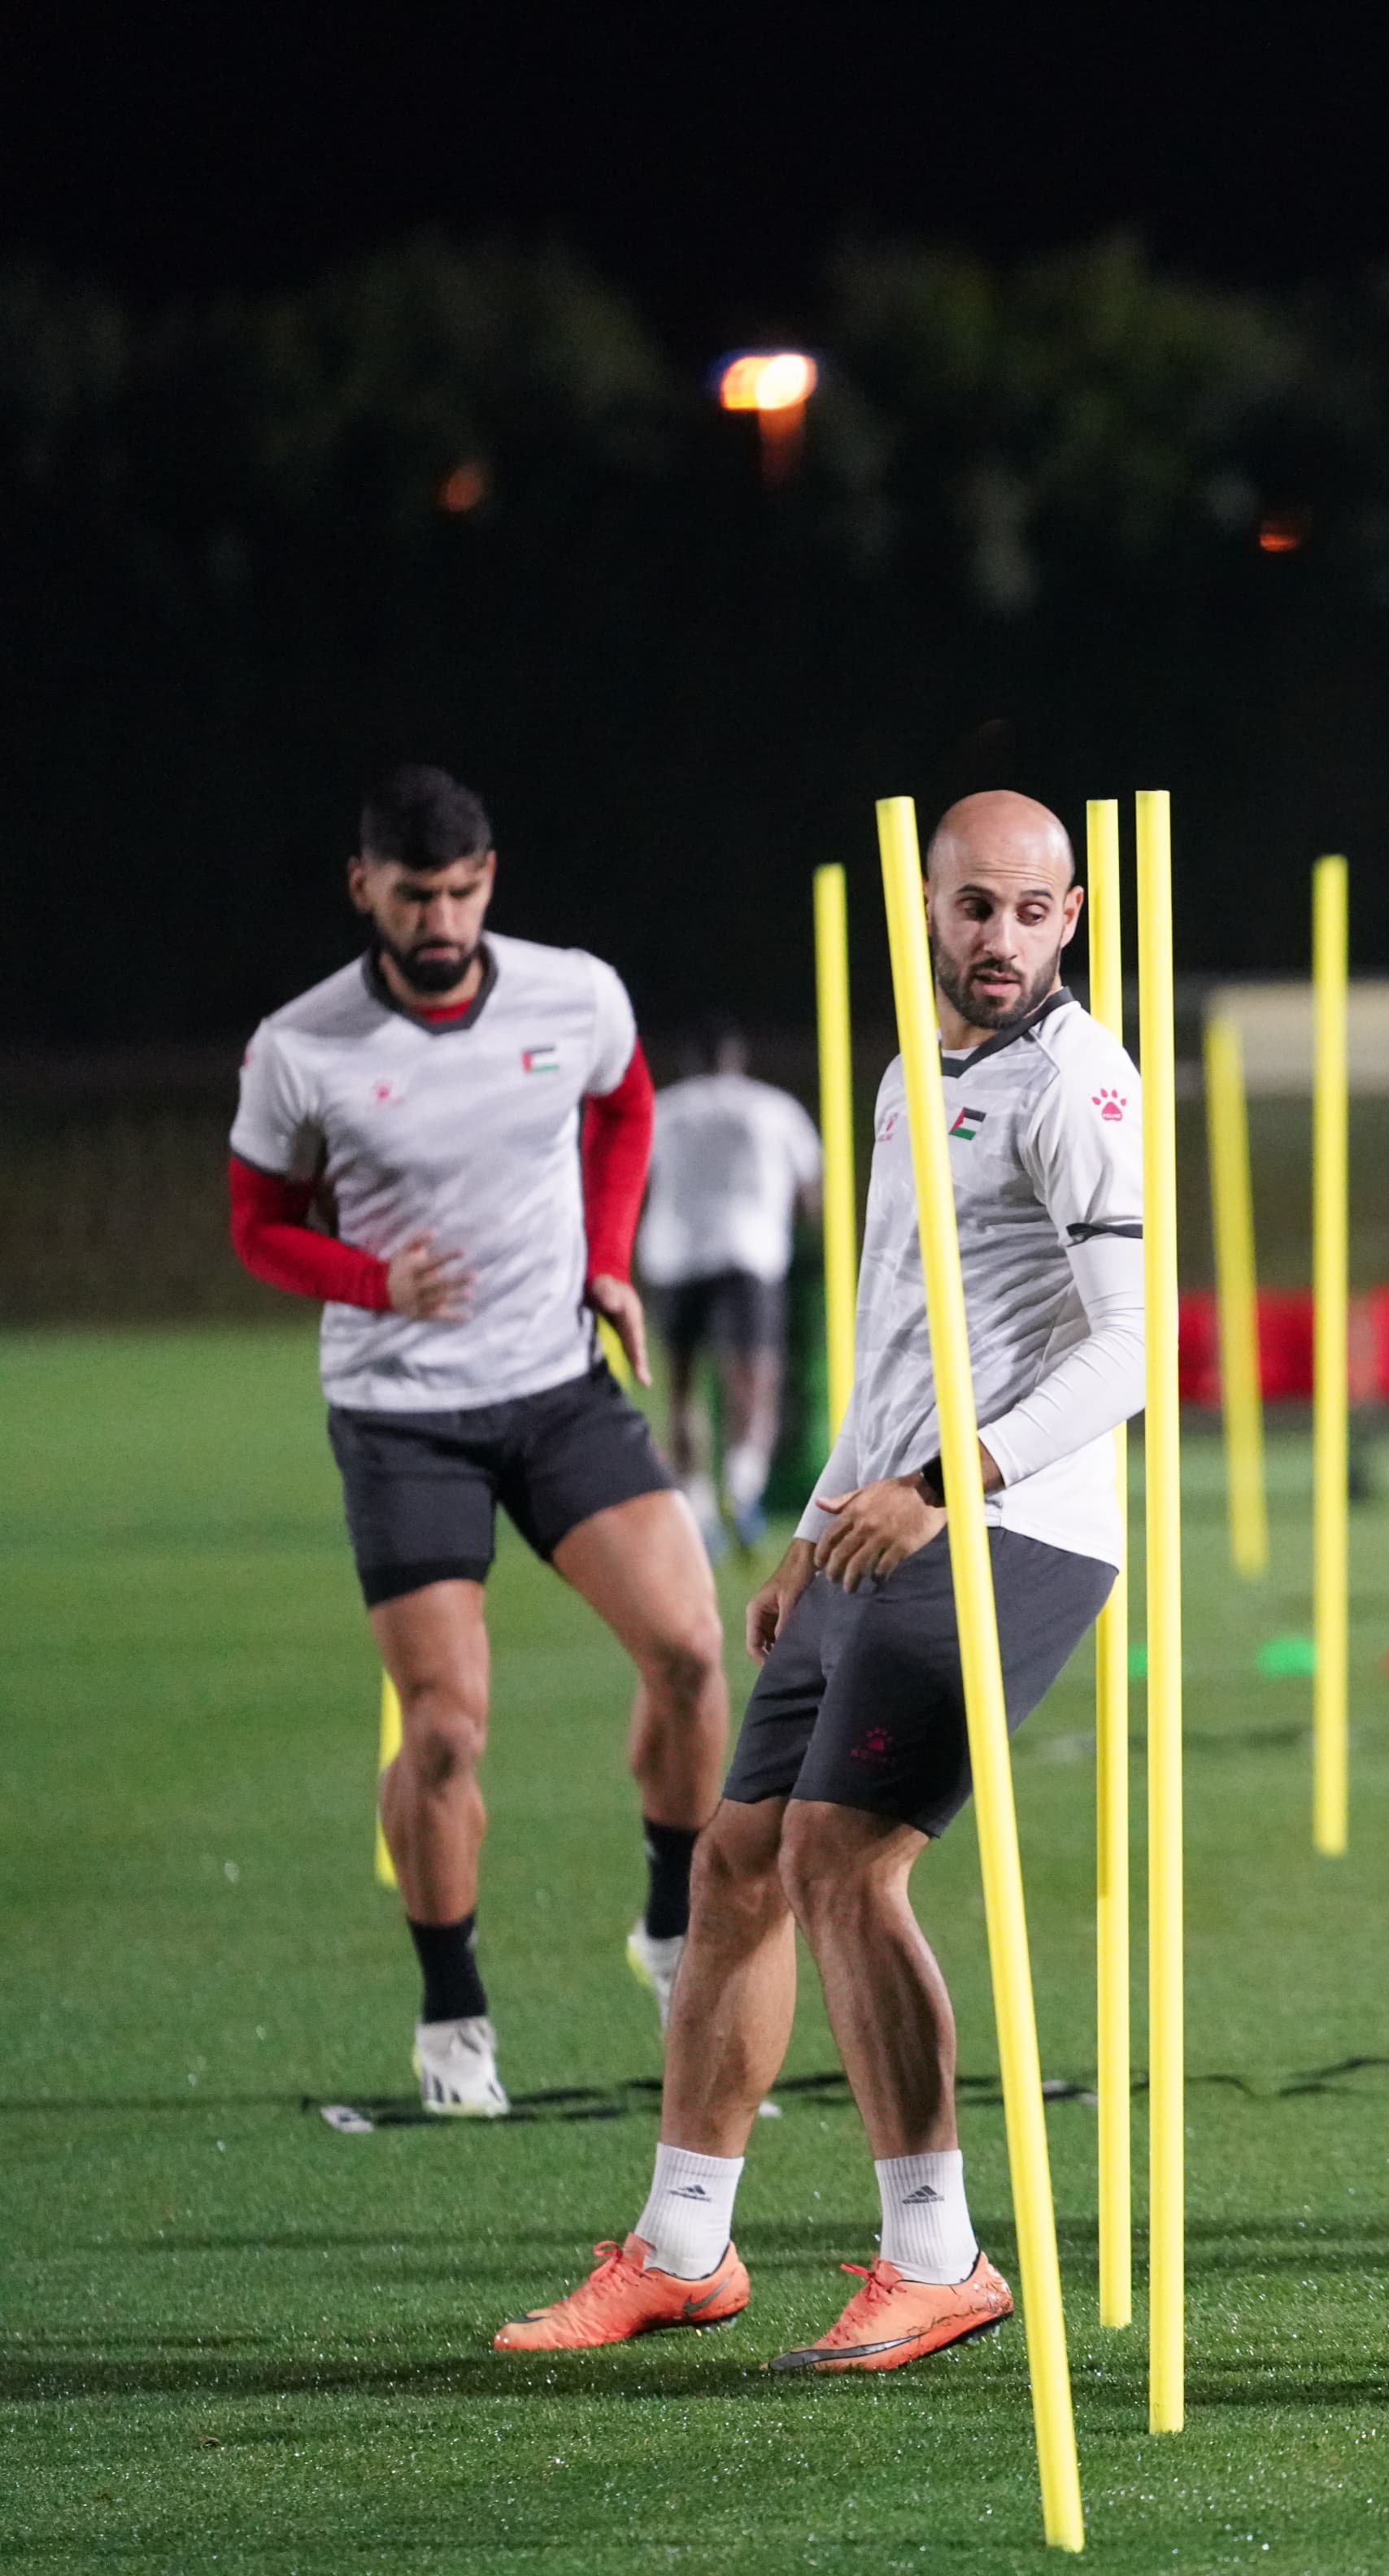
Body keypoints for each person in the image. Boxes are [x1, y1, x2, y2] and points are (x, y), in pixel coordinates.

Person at [494, 791, 1143, 2369]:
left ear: (1071, 916)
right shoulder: (913, 1072)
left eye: (1030, 910)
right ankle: (683, 2249)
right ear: (924, 906)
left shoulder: (1080, 1083)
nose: (999, 939)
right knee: (734, 1862)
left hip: (1016, 1525)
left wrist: (941, 1487)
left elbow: (1129, 1349)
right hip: (877, 1520)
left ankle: (941, 2257)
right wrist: (808, 1527)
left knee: (845, 1863)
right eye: (971, 907)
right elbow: (893, 1331)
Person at [228, 765, 729, 2115]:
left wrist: (609, 1255)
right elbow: (256, 1226)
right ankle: (454, 2015)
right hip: (402, 1416)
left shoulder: (576, 992)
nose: (439, 917)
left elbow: (623, 1107)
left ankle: (671, 1923)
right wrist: (370, 1282)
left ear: (490, 878)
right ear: (365, 889)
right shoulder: (300, 1044)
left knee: (691, 1650)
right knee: (445, 1729)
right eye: (412, 895)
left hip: (560, 1384)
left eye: (459, 892)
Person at [638, 1016, 824, 1555]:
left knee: (681, 1388)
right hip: (749, 1254)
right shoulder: (772, 1107)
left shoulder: (665, 1111)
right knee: (754, 1378)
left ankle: (696, 1507)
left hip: (673, 1255)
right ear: (737, 1059)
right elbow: (811, 1194)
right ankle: (743, 1489)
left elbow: (635, 1185)